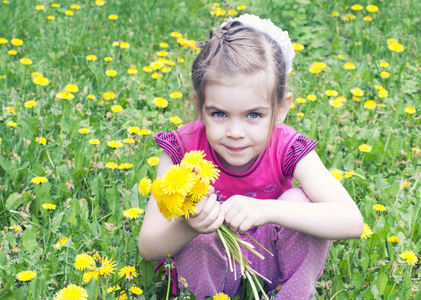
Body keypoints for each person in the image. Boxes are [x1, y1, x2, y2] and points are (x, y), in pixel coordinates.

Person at [138, 14, 363, 299]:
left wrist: (269, 211)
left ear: (281, 108)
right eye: (219, 114)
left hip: (270, 262)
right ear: (199, 106)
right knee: (201, 227)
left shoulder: (287, 147)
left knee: (301, 202)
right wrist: (189, 226)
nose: (235, 132)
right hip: (207, 268)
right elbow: (149, 247)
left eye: (253, 115)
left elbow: (352, 221)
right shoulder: (182, 152)